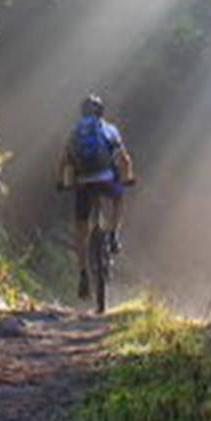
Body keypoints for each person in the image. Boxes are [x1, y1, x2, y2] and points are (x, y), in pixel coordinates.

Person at [56, 93, 134, 299]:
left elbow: (65, 159)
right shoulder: (109, 129)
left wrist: (61, 182)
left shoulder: (75, 131)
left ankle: (83, 273)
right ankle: (114, 234)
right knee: (118, 199)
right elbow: (123, 158)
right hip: (106, 180)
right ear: (101, 111)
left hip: (83, 184)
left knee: (81, 230)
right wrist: (128, 177)